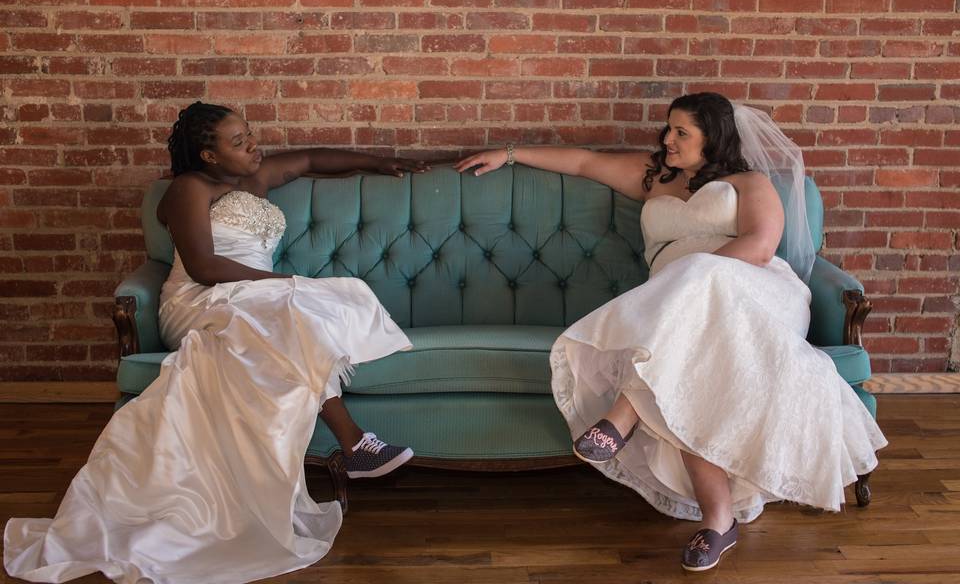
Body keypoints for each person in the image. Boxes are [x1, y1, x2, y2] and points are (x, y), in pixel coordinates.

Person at [456, 92, 886, 572]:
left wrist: (692, 276)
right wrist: (511, 154)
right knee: (687, 374)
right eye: (668, 129)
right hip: (678, 314)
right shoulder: (655, 176)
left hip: (754, 295)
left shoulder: (749, 181)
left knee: (697, 282)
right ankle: (719, 521)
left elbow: (761, 247)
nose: (668, 139)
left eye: (682, 132)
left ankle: (626, 411)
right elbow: (583, 162)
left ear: (713, 138)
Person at [4, 102, 427, 583]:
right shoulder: (189, 189)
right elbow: (202, 268)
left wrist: (379, 163)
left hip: (254, 298)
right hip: (199, 299)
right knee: (285, 311)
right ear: (208, 155)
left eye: (249, 134)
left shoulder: (257, 177)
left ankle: (353, 449)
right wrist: (281, 280)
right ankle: (355, 444)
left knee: (290, 317)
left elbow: (310, 160)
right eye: (238, 140)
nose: (253, 145)